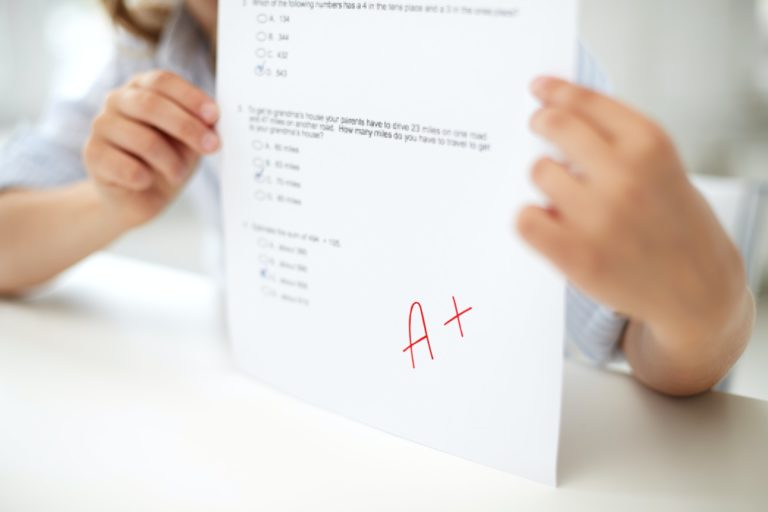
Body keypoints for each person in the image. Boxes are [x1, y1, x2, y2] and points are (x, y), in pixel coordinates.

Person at [0, 0, 754, 397]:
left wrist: (708, 308)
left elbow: (642, 342)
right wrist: (107, 203)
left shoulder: (474, 36)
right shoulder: (158, 45)